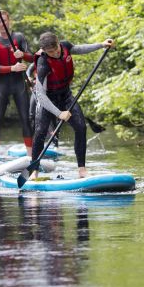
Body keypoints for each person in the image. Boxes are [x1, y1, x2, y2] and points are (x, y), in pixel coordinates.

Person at [31, 31, 114, 179]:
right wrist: (58, 113)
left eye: (56, 49)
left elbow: (79, 49)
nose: (55, 54)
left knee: (81, 127)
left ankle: (82, 170)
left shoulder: (65, 46)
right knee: (41, 132)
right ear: (44, 51)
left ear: (58, 43)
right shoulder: (43, 63)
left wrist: (101, 45)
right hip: (48, 100)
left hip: (66, 95)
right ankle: (34, 171)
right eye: (50, 52)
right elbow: (40, 96)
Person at [0, 10, 33, 166]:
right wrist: (11, 68)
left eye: (4, 21)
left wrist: (23, 55)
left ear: (9, 21)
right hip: (2, 85)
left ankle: (31, 156)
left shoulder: (19, 38)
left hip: (19, 84)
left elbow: (32, 57)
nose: (2, 24)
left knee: (26, 120)